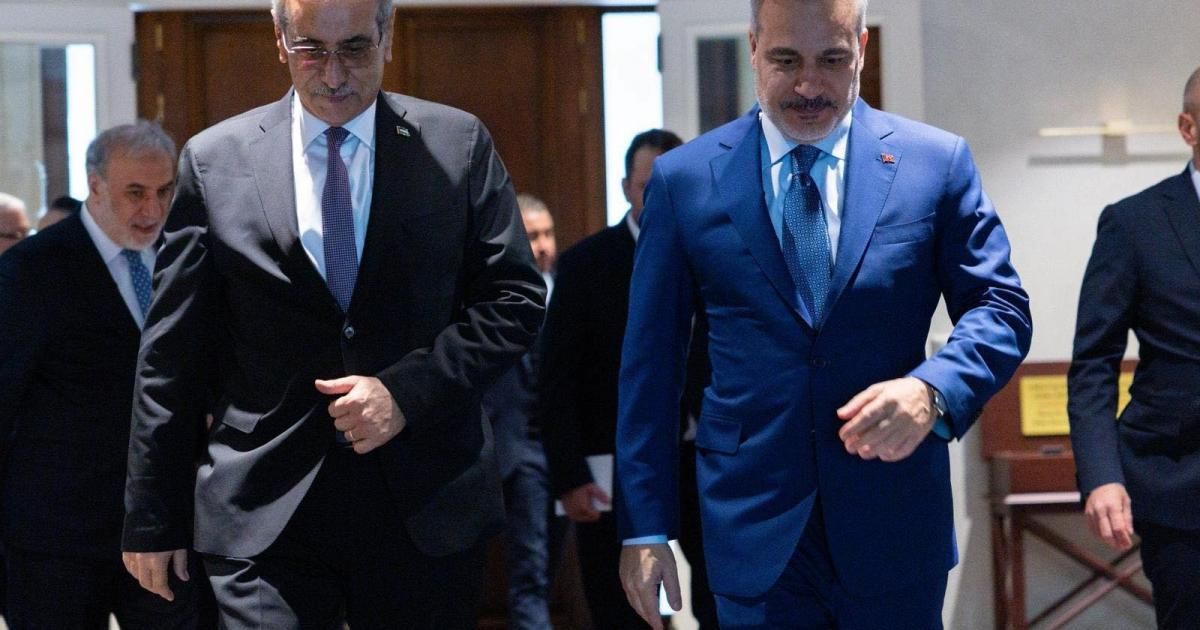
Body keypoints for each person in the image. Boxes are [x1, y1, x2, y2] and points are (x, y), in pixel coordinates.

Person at [119, 0, 546, 626]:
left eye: (354, 48)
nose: (334, 73)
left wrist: (406, 391)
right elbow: (170, 356)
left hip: (423, 502)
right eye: (311, 50)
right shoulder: (215, 161)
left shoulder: (456, 145)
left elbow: (514, 300)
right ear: (279, 40)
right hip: (262, 509)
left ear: (387, 35)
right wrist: (152, 516)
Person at [615, 1, 1032, 628]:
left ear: (861, 48)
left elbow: (1001, 307)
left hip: (893, 522)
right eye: (786, 60)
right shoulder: (685, 180)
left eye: (832, 60)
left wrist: (932, 391)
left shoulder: (933, 164)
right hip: (753, 526)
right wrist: (645, 526)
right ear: (753, 48)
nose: (809, 86)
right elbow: (650, 365)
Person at [0, 122, 205, 628]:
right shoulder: (32, 269)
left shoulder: (188, 254)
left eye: (164, 191)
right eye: (135, 193)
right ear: (95, 186)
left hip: (164, 530)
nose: (152, 210)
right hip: (56, 541)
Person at [543, 129, 724, 629]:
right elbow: (556, 378)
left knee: (723, 599)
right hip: (618, 464)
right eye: (649, 188)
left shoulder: (721, 256)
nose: (665, 199)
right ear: (627, 188)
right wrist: (570, 475)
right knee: (625, 607)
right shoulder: (586, 265)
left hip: (708, 457)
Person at [1068, 66, 1200, 630]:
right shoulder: (1135, 223)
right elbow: (1094, 363)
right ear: (1188, 128)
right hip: (1180, 484)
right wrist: (1102, 474)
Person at [481, 193, 563, 629]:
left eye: (548, 234)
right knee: (528, 573)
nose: (544, 245)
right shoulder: (492, 296)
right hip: (516, 450)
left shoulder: (568, 291)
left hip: (565, 455)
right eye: (533, 236)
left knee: (550, 569)